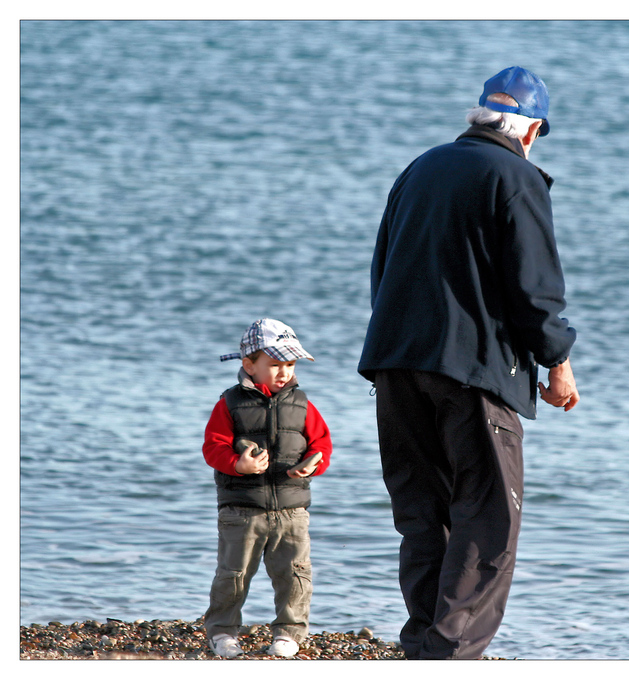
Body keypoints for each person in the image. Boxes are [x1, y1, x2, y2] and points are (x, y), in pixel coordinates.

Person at [358, 66, 580, 659]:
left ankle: (423, 644)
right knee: (486, 522)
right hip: (476, 375)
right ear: (530, 129)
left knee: (425, 515)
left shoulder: (419, 168)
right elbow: (534, 289)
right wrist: (556, 360)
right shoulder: (518, 177)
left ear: (480, 114)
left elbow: (381, 272)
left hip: (396, 365)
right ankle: (449, 656)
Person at [202, 318, 333, 658]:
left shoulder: (302, 404)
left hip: (291, 510)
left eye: (289, 364)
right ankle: (222, 631)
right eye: (274, 365)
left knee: (295, 574)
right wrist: (238, 464)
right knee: (233, 575)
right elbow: (213, 447)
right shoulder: (229, 403)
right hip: (241, 510)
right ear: (249, 365)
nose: (284, 372)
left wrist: (313, 464)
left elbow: (322, 445)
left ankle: (289, 633)